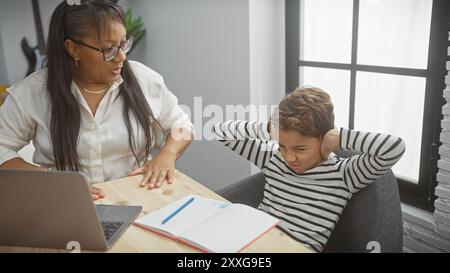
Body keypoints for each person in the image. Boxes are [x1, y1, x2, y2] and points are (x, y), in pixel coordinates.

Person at [0, 0, 193, 200]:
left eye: (123, 44)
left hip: (139, 195)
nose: (121, 57)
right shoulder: (33, 92)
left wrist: (168, 154)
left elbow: (181, 125)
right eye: (108, 49)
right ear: (73, 49)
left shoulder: (143, 79)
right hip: (64, 202)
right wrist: (52, 180)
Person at [213, 87, 406, 252]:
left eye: (300, 149)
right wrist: (270, 129)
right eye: (282, 145)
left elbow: (393, 148)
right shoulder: (274, 158)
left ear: (324, 139)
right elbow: (220, 131)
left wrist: (339, 138)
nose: (289, 157)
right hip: (250, 242)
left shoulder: (344, 175)